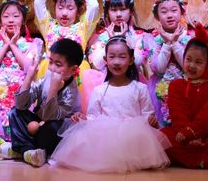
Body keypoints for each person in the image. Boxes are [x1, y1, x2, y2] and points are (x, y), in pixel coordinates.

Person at [50, 36, 170, 173]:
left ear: (131, 60)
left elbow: (148, 114)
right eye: (112, 57)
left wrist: (150, 120)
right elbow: (93, 117)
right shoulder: (99, 90)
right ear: (105, 60)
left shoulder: (140, 88)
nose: (116, 62)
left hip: (133, 137)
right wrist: (83, 118)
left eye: (122, 57)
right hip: (105, 137)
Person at [161, 24, 208, 171]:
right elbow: (178, 114)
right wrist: (186, 134)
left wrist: (192, 133)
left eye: (198, 62)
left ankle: (186, 158)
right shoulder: (176, 85)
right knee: (162, 136)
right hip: (182, 135)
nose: (191, 65)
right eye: (188, 59)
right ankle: (206, 162)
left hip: (207, 135)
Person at [4, 39, 84, 167]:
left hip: (54, 130)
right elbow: (21, 104)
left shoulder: (72, 92)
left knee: (52, 127)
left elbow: (49, 117)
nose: (52, 68)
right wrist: (29, 77)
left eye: (58, 64)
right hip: (39, 123)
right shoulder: (46, 77)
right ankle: (27, 150)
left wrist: (53, 89)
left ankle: (24, 149)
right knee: (15, 112)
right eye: (50, 62)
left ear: (73, 70)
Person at [0, 0, 42, 140]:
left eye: (15, 16)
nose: (10, 20)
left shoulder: (32, 44)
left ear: (23, 20)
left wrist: (13, 45)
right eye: (6, 16)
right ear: (0, 21)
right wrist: (5, 45)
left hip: (21, 89)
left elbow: (28, 68)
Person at [82, 0, 149, 110]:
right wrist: (111, 40)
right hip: (105, 84)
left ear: (131, 11)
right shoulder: (99, 36)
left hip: (132, 83)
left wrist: (124, 41)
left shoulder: (138, 36)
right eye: (113, 10)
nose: (118, 14)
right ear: (107, 12)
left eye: (123, 9)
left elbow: (137, 61)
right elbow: (97, 64)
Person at [33, 0, 100, 79]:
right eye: (60, 8)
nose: (64, 13)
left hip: (76, 73)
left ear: (78, 11)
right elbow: (38, 3)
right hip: (50, 71)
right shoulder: (48, 26)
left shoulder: (83, 27)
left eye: (70, 8)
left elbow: (94, 6)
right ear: (54, 8)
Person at [146, 0, 192, 127]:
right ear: (157, 16)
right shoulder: (151, 39)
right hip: (160, 87)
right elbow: (159, 68)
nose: (170, 15)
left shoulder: (190, 38)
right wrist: (167, 44)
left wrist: (175, 43)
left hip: (186, 87)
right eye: (164, 12)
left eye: (174, 10)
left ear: (182, 12)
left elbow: (187, 66)